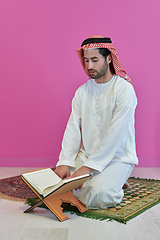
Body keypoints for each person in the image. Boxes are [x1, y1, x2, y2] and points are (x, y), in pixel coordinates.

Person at [54, 35, 138, 209]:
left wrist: (88, 168)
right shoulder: (82, 92)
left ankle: (112, 181)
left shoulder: (124, 90)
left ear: (108, 58)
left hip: (118, 158)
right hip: (87, 155)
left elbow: (115, 134)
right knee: (56, 186)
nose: (89, 66)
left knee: (100, 194)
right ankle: (109, 180)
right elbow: (73, 128)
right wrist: (65, 161)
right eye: (86, 60)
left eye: (94, 60)